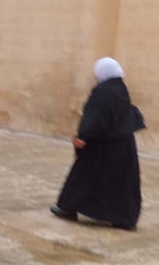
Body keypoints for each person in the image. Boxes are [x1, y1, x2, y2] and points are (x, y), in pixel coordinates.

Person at [51, 57, 145, 230]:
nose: (95, 78)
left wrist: (83, 136)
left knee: (84, 176)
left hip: (102, 145)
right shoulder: (120, 88)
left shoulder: (104, 91)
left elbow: (97, 116)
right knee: (119, 182)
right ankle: (123, 218)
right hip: (123, 145)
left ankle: (69, 208)